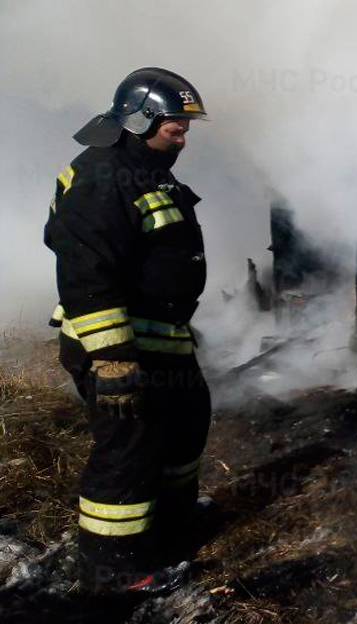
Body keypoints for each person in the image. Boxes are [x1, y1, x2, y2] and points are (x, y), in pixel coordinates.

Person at [44, 67, 212, 596]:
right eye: (175, 126)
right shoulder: (102, 173)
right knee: (129, 448)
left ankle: (169, 527)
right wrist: (113, 359)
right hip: (120, 346)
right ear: (139, 118)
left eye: (185, 127)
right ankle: (113, 567)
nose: (182, 136)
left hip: (161, 340)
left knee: (185, 427)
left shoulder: (148, 169)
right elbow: (85, 273)